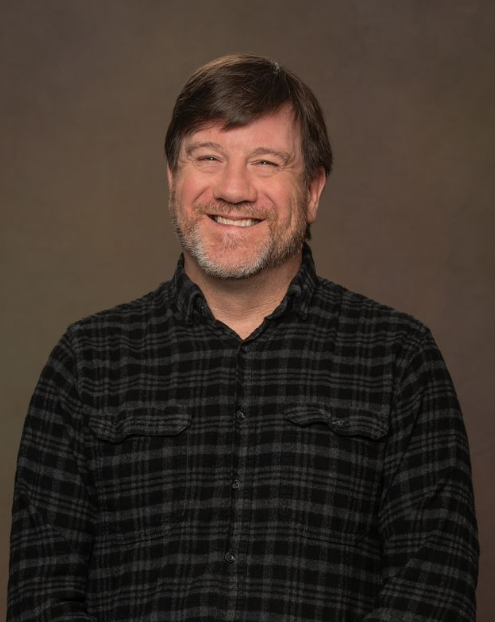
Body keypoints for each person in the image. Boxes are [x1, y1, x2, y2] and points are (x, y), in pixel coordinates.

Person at [8, 54, 478, 621]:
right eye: (208, 157)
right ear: (173, 179)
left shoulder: (398, 359)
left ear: (313, 190)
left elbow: (433, 594)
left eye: (266, 162)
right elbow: (41, 598)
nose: (234, 189)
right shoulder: (87, 362)